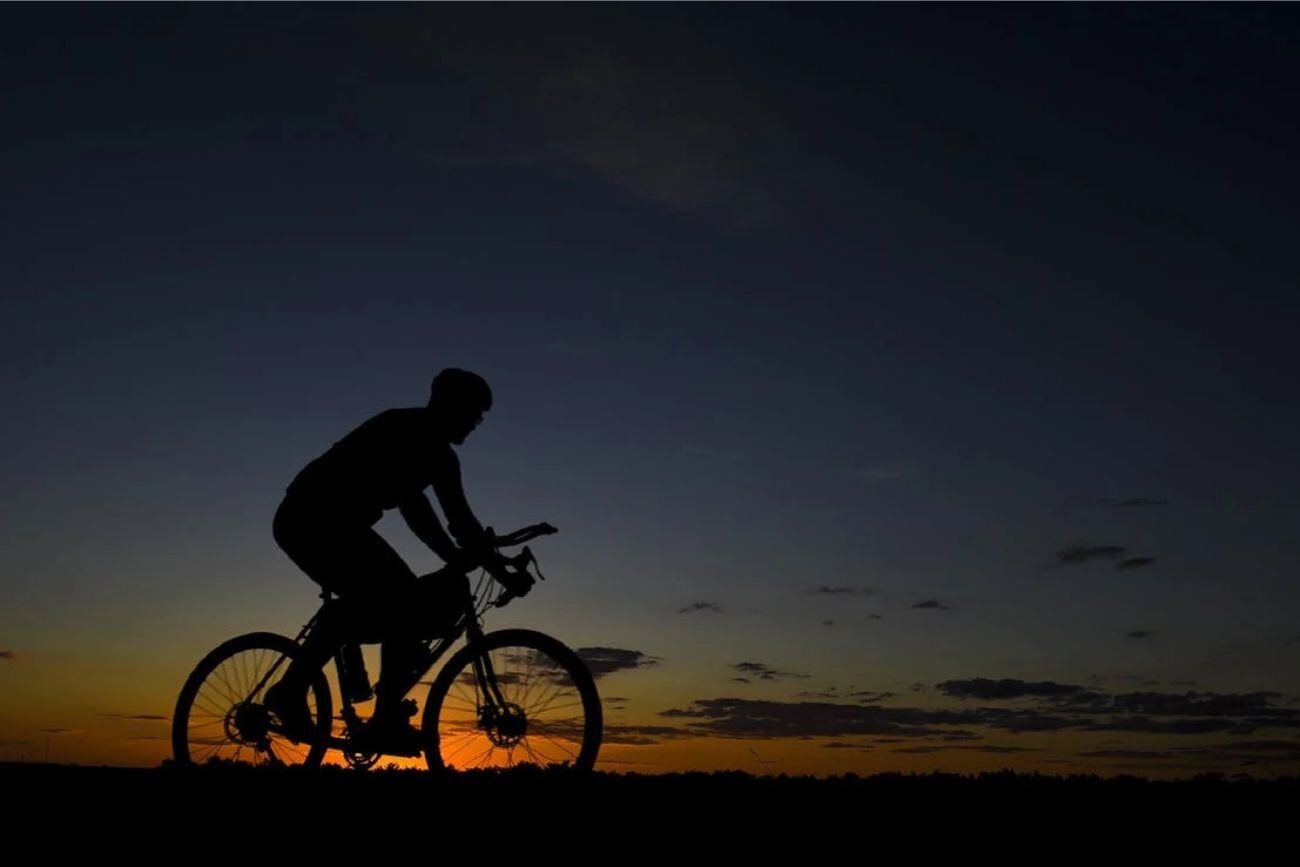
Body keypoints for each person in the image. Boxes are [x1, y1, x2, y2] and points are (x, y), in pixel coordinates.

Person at [263, 368, 532, 750]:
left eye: (481, 417)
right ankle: (307, 698)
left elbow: (461, 521)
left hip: (345, 527)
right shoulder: (404, 429)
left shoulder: (443, 459)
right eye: (474, 412)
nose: (476, 423)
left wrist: (498, 569)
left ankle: (347, 662)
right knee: (402, 602)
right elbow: (416, 510)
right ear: (448, 404)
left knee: (395, 606)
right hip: (309, 519)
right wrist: (463, 560)